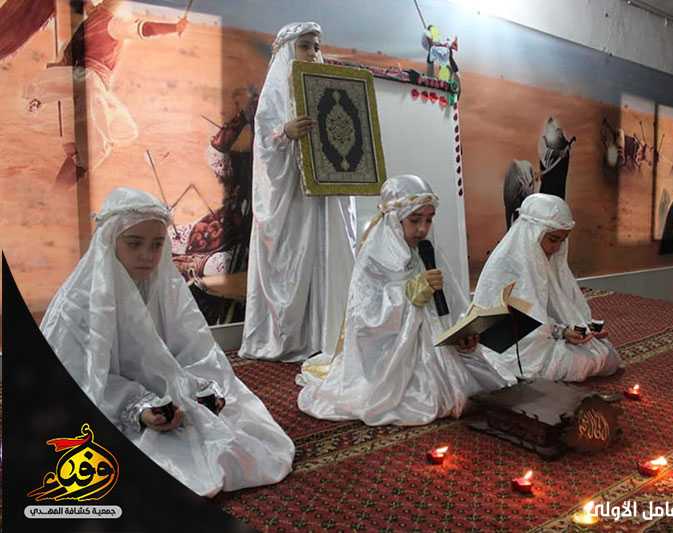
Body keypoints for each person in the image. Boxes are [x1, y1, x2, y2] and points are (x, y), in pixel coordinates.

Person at [40, 187, 295, 497]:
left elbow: (194, 351)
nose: (147, 255)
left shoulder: (164, 286)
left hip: (164, 396)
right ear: (110, 240)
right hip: (111, 400)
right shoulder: (79, 303)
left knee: (236, 441)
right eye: (134, 243)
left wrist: (201, 390)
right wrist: (138, 407)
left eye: (157, 244)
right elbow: (77, 378)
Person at [297, 175, 513, 426]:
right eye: (415, 220)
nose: (423, 229)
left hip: (438, 348)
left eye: (429, 220)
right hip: (392, 358)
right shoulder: (373, 257)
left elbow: (452, 304)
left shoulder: (427, 250)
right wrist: (408, 293)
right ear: (394, 218)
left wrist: (463, 333)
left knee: (484, 384)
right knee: (433, 399)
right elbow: (365, 317)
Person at [240, 21, 357, 362]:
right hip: (292, 199)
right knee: (295, 261)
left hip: (325, 201)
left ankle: (329, 332)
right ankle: (291, 336)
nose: (313, 53)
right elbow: (264, 147)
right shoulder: (275, 93)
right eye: (305, 46)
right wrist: (285, 133)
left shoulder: (327, 88)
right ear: (287, 50)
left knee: (328, 258)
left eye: (316, 47)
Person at [22, 0, 189, 186]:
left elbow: (88, 6)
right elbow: (145, 29)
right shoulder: (114, 23)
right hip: (90, 85)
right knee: (96, 148)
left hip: (70, 82)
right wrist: (175, 27)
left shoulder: (91, 19)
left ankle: (58, 191)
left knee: (78, 148)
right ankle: (58, 194)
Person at [473, 193, 621, 382]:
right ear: (533, 233)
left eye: (562, 241)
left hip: (543, 338)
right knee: (595, 359)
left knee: (603, 352)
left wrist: (568, 331)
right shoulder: (507, 265)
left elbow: (548, 310)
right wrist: (559, 332)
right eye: (553, 239)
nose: (557, 248)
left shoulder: (542, 258)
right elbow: (509, 327)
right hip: (514, 350)